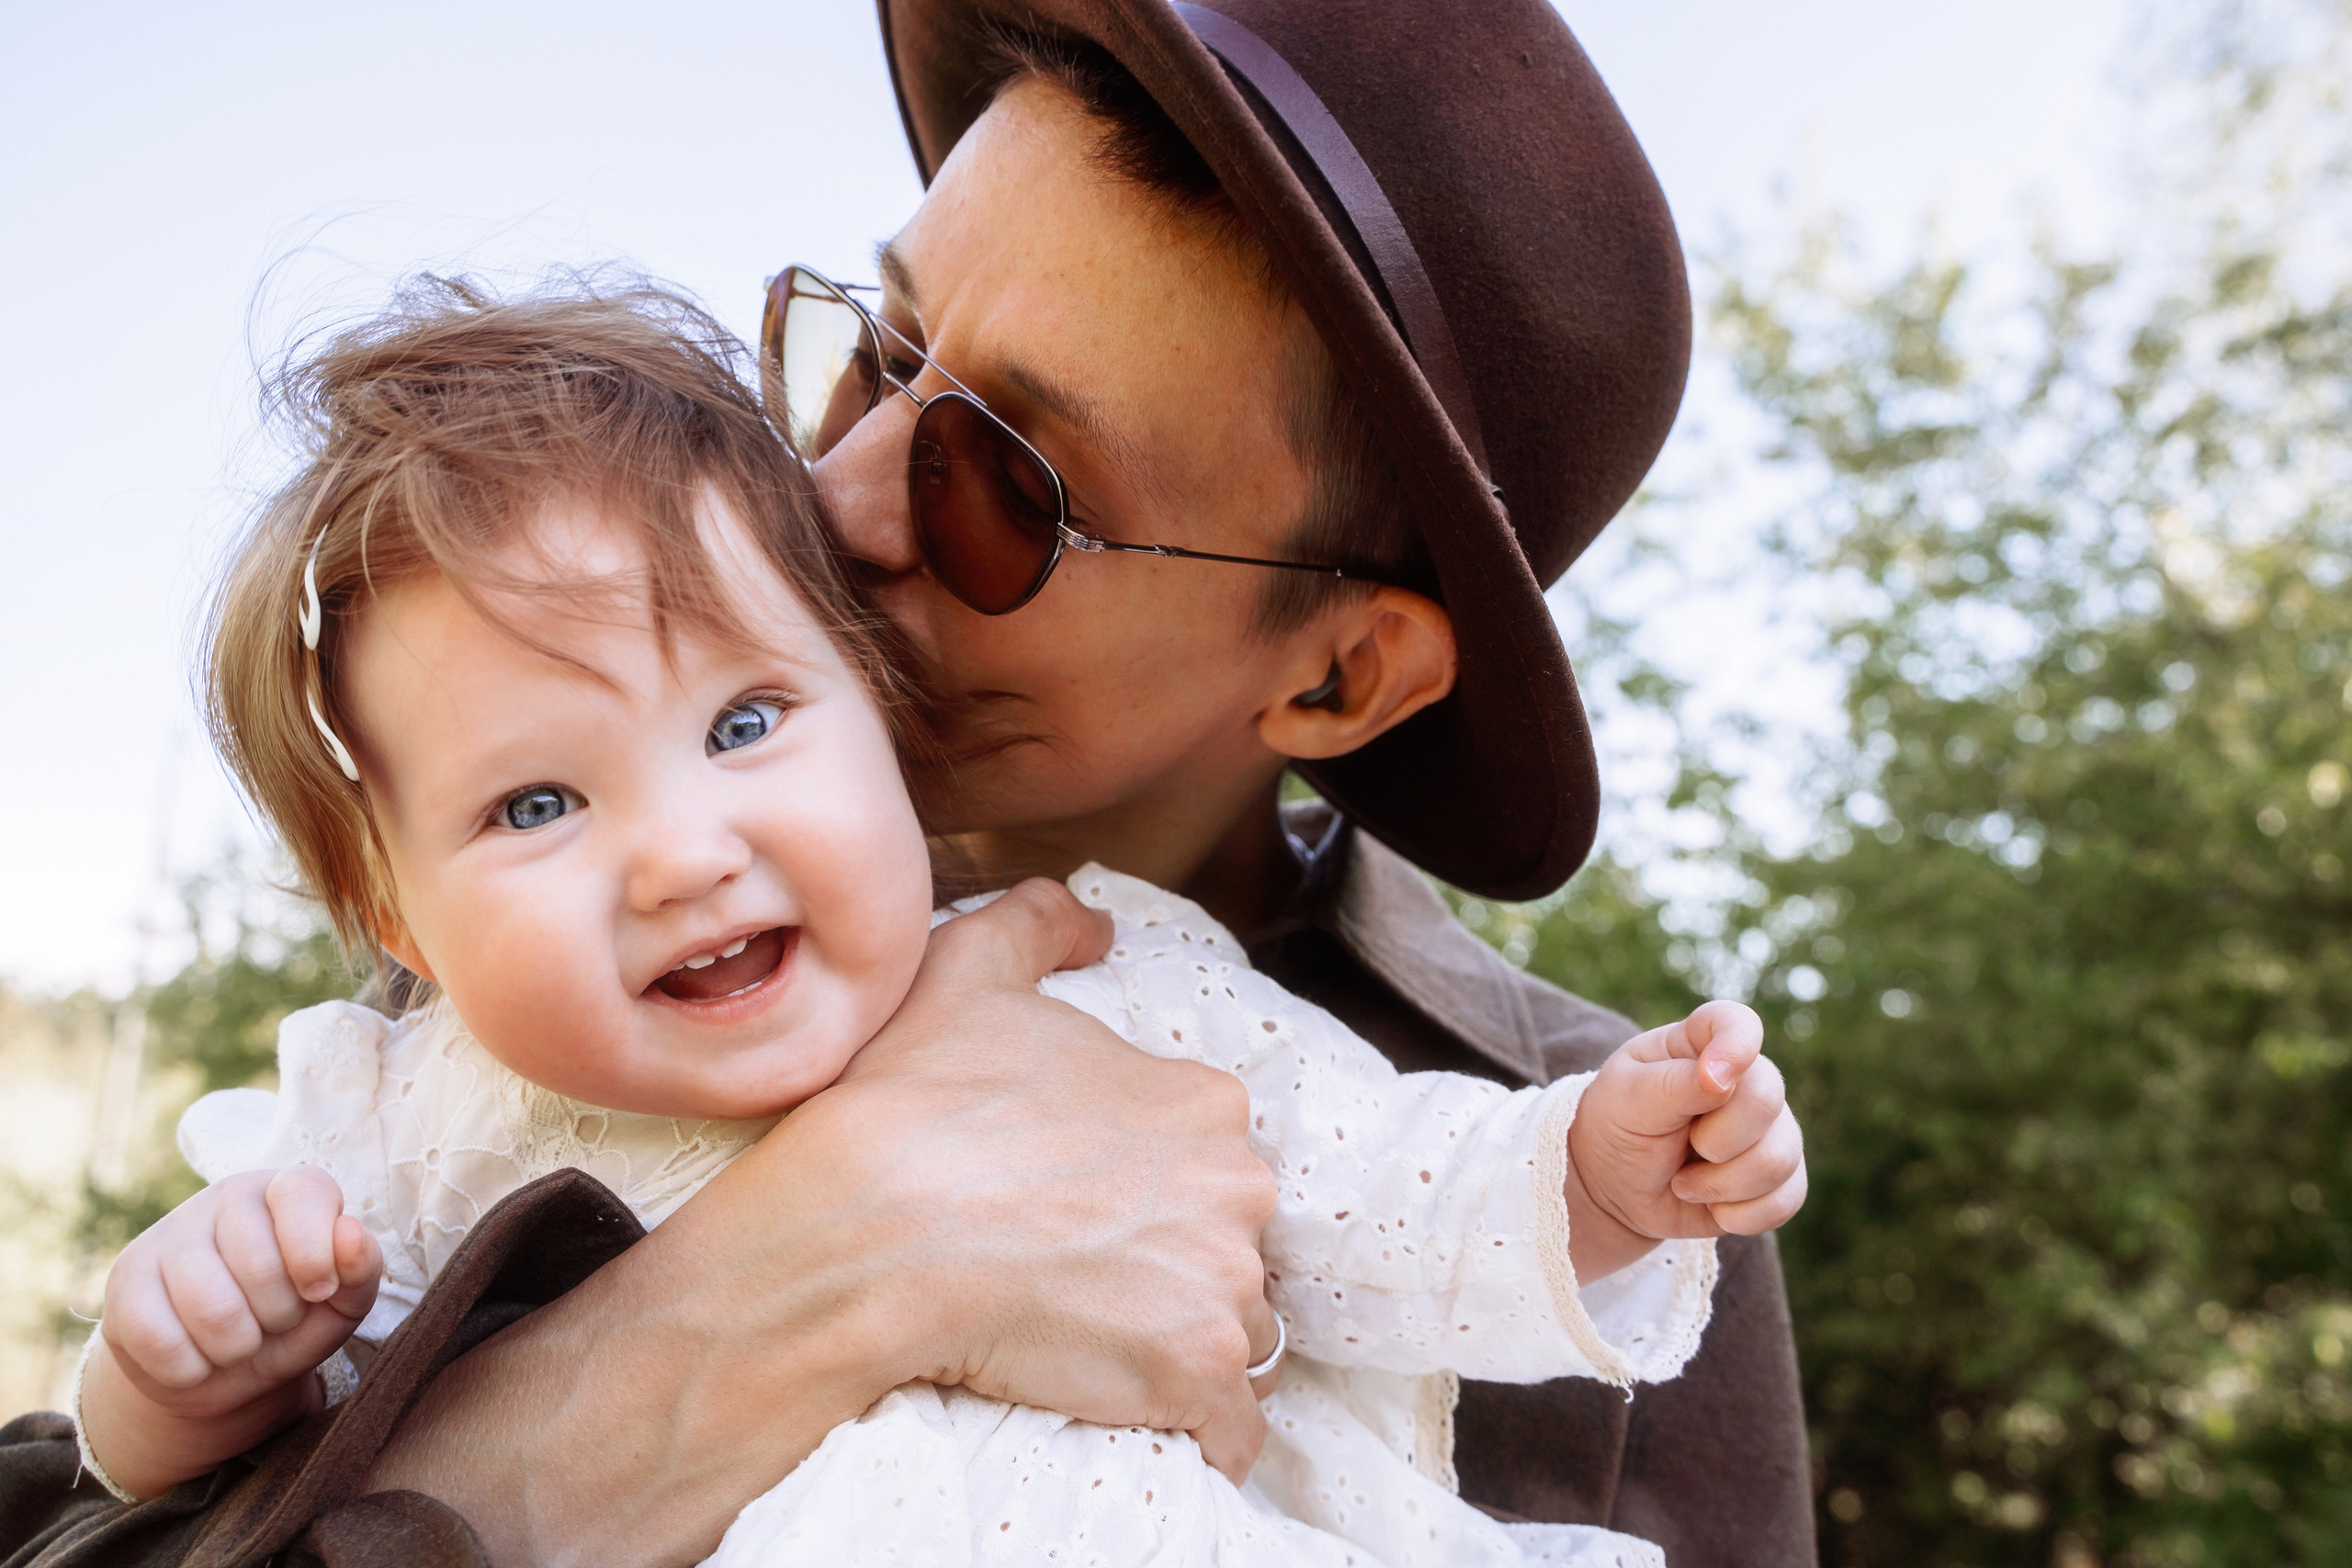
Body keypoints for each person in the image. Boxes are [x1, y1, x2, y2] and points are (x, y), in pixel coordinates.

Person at [0, 3, 1815, 1564]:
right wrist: (759, 1299)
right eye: (869, 347)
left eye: (1002, 481)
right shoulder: (534, 977)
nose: (844, 489)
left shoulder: (1570, 1141)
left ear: (1336, 669)